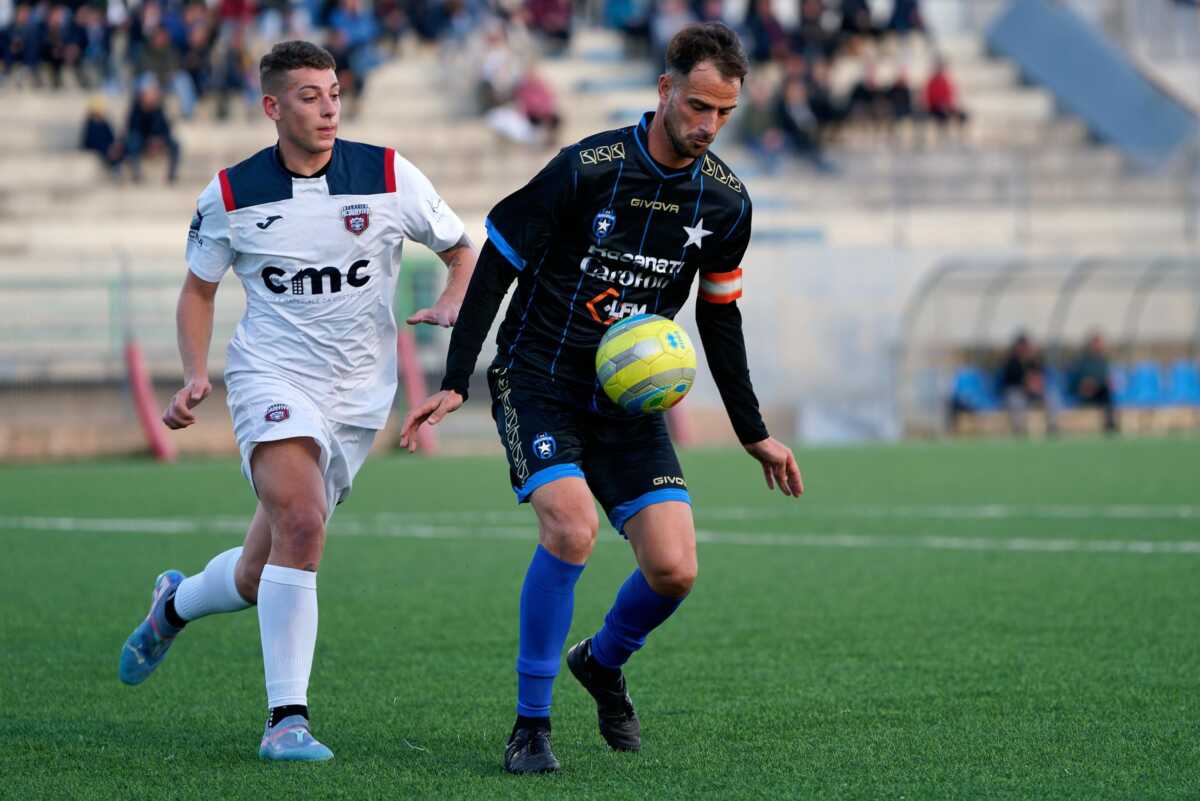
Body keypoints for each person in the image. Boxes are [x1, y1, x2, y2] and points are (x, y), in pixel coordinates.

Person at [399, 22, 803, 775]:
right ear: (665, 89)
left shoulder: (725, 203)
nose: (709, 125)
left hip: (628, 403)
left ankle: (602, 660)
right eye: (698, 106)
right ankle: (530, 725)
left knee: (675, 569)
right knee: (572, 528)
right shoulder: (587, 168)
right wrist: (456, 376)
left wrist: (752, 431)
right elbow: (498, 261)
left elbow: (720, 316)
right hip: (539, 380)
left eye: (724, 112)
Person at [116, 40, 476, 762]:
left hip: (358, 397)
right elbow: (198, 291)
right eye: (310, 96)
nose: (328, 108)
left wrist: (451, 302)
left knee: (261, 572)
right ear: (272, 107)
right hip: (272, 377)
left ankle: (173, 604)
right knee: (304, 521)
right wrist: (194, 374)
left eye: (334, 93)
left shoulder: (387, 173)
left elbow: (463, 250)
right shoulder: (231, 194)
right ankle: (287, 720)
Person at [999, 332, 1058, 435]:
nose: (1024, 349)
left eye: (1026, 346)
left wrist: (1036, 386)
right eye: (1021, 346)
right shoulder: (1011, 362)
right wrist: (1025, 383)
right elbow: (1009, 382)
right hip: (1017, 392)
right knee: (1015, 400)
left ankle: (1052, 427)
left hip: (1033, 392)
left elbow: (1040, 377)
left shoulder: (1034, 361)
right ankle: (1019, 430)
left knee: (1052, 396)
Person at [1070, 332, 1118, 433]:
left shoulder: (1103, 360)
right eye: (1097, 344)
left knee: (1106, 393)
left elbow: (1105, 377)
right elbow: (1077, 380)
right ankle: (1109, 424)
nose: (1099, 346)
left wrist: (1108, 383)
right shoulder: (1083, 360)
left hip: (1100, 392)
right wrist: (1084, 384)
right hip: (1085, 393)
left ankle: (1110, 424)